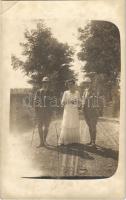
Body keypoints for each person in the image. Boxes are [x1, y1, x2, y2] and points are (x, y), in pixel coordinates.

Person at [58, 79, 81, 146]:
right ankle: (65, 140)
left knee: (74, 123)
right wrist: (67, 102)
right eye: (69, 85)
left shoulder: (77, 93)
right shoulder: (65, 93)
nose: (70, 86)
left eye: (72, 84)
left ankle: (74, 140)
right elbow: (62, 103)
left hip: (74, 111)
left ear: (74, 85)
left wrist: (76, 103)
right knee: (67, 124)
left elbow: (80, 103)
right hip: (67, 111)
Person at [34, 77, 53, 147]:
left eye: (47, 82)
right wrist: (36, 109)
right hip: (40, 112)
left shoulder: (51, 92)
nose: (45, 84)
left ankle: (44, 140)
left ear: (48, 84)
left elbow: (53, 102)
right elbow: (35, 100)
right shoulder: (38, 91)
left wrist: (52, 110)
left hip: (48, 112)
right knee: (39, 126)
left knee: (46, 127)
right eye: (44, 82)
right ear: (42, 83)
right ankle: (41, 142)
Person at [82, 77, 99, 147]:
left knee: (93, 126)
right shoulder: (85, 91)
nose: (86, 84)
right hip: (86, 111)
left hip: (93, 112)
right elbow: (83, 100)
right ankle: (91, 141)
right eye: (85, 83)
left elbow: (95, 99)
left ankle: (94, 142)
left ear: (90, 83)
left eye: (88, 83)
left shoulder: (93, 91)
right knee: (89, 126)